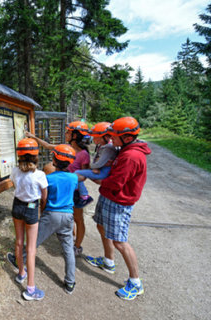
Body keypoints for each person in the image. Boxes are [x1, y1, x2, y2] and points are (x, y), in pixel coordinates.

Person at [84, 116, 151, 301]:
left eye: (113, 136)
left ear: (127, 138)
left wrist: (90, 176)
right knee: (101, 226)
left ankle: (136, 283)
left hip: (119, 202)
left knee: (120, 241)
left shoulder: (131, 156)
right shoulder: (124, 150)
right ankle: (108, 262)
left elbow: (115, 182)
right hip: (109, 197)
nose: (111, 139)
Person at [7, 145, 78, 294]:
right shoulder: (74, 177)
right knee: (68, 248)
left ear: (54, 161)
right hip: (68, 216)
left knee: (34, 241)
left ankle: (20, 261)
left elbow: (42, 195)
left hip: (51, 214)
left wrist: (42, 208)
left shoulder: (49, 178)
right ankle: (70, 282)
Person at [26, 121, 90, 256]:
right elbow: (48, 146)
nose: (65, 134)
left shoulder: (84, 154)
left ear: (75, 135)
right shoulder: (65, 148)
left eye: (68, 132)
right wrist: (33, 137)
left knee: (78, 218)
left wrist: (68, 179)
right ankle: (70, 238)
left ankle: (77, 246)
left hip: (75, 190)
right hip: (66, 188)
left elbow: (85, 176)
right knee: (69, 215)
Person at [10, 138, 48, 301]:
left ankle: (21, 273)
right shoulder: (39, 174)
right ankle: (30, 289)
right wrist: (41, 207)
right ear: (36, 156)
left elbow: (14, 185)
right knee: (31, 248)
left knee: (19, 241)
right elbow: (44, 196)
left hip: (17, 205)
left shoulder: (15, 171)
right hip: (32, 207)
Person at [74, 122, 117, 208]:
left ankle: (84, 195)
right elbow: (98, 162)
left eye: (96, 136)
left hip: (103, 173)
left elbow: (98, 163)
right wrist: (95, 166)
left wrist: (92, 167)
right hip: (101, 170)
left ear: (105, 137)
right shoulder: (103, 147)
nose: (93, 138)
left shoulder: (108, 148)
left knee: (76, 173)